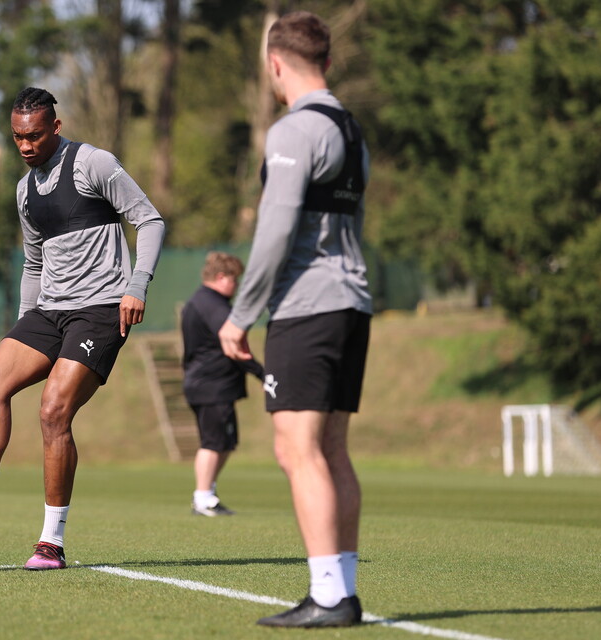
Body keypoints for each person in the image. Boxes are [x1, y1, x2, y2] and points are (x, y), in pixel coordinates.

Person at [0, 87, 165, 570]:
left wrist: (138, 285)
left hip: (101, 308)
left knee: (53, 412)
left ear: (55, 127)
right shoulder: (25, 190)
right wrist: (24, 323)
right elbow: (34, 261)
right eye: (16, 137)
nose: (25, 146)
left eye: (33, 136)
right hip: (48, 311)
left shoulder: (94, 164)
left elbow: (148, 220)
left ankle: (52, 541)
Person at [217, 11, 372, 628]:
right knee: (332, 449)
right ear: (328, 63)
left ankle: (329, 596)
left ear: (275, 64)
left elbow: (275, 230)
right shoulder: (352, 130)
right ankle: (344, 590)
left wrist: (240, 315)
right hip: (352, 302)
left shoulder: (292, 131)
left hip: (308, 308)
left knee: (296, 448)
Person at [181, 251, 263, 517]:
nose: (236, 286)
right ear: (220, 277)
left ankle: (208, 494)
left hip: (213, 384)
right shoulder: (212, 304)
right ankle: (202, 498)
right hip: (210, 384)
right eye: (234, 279)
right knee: (213, 442)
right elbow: (233, 345)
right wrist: (263, 374)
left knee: (225, 442)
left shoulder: (206, 301)